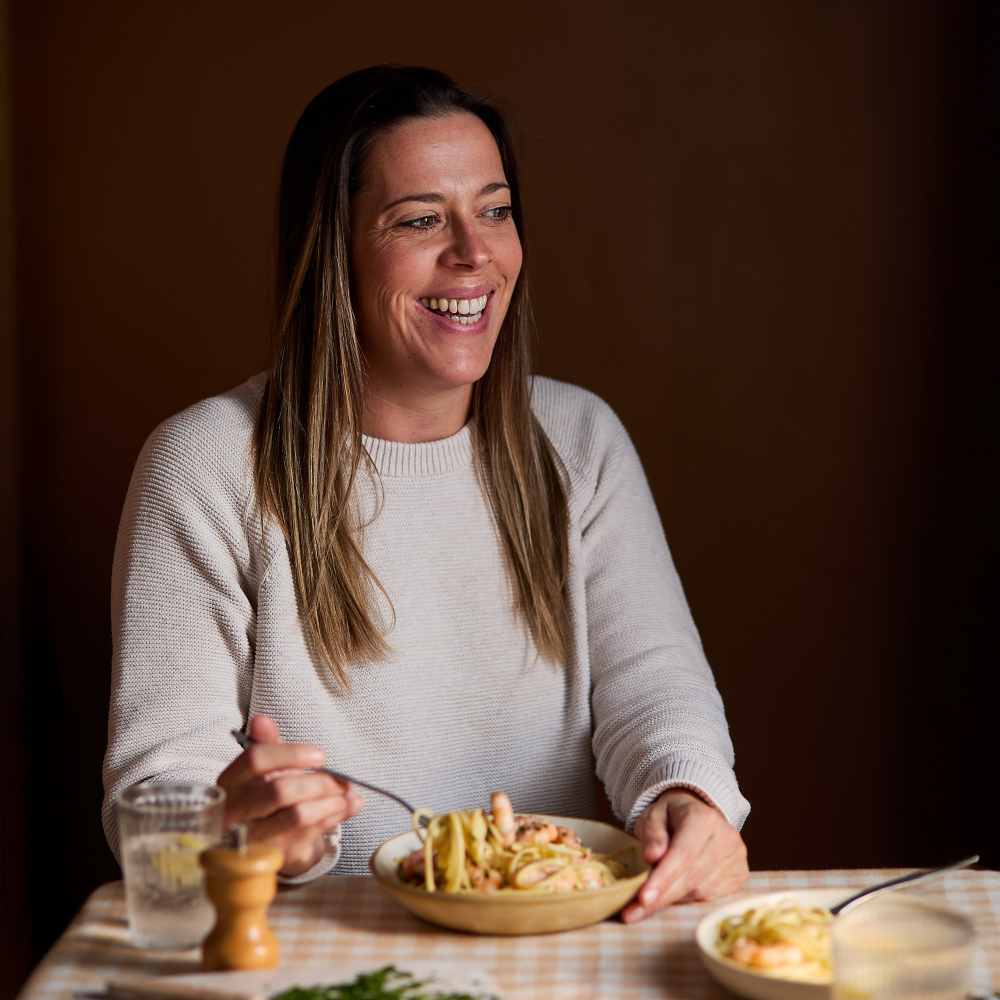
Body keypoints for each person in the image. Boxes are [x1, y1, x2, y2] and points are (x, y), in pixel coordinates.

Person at [102, 66, 749, 922]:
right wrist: (241, 832)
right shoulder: (205, 462)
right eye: (419, 220)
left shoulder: (580, 440)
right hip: (310, 944)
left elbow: (655, 688)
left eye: (495, 209)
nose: (475, 254)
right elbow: (158, 799)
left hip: (544, 934)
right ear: (332, 246)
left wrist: (687, 794)